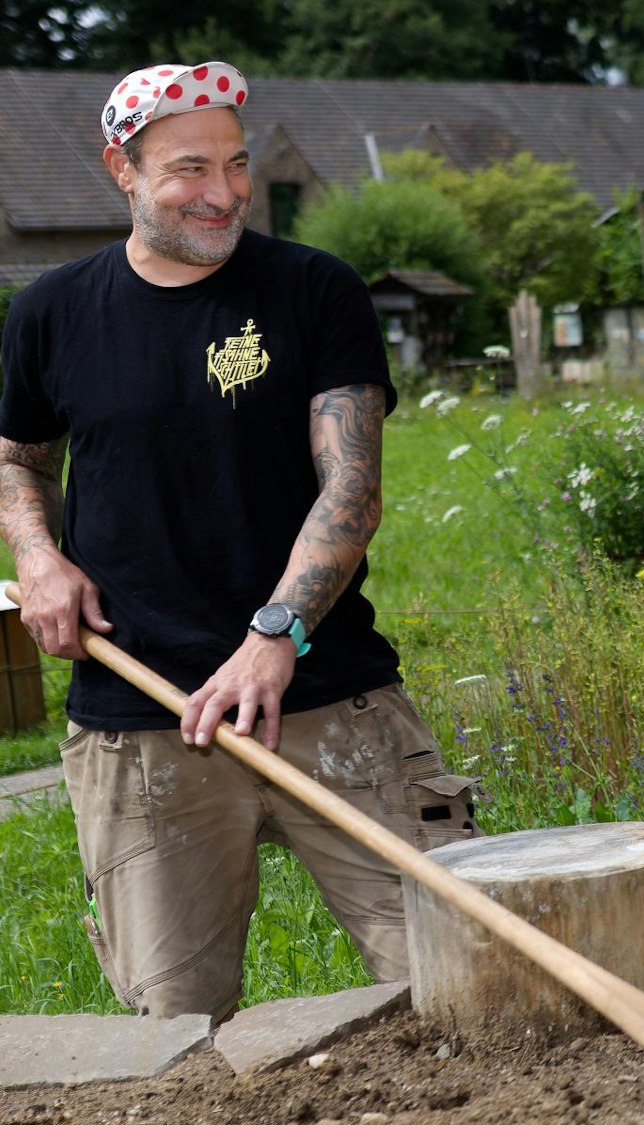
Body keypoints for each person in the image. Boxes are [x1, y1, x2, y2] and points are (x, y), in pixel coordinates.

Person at [0, 61, 479, 1022]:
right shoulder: (52, 311)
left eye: (236, 163)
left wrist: (275, 636)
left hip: (332, 698)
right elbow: (19, 461)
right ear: (121, 169)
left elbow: (351, 489)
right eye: (188, 169)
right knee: (175, 1034)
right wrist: (36, 554)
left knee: (464, 975)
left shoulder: (313, 289)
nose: (222, 192)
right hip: (144, 722)